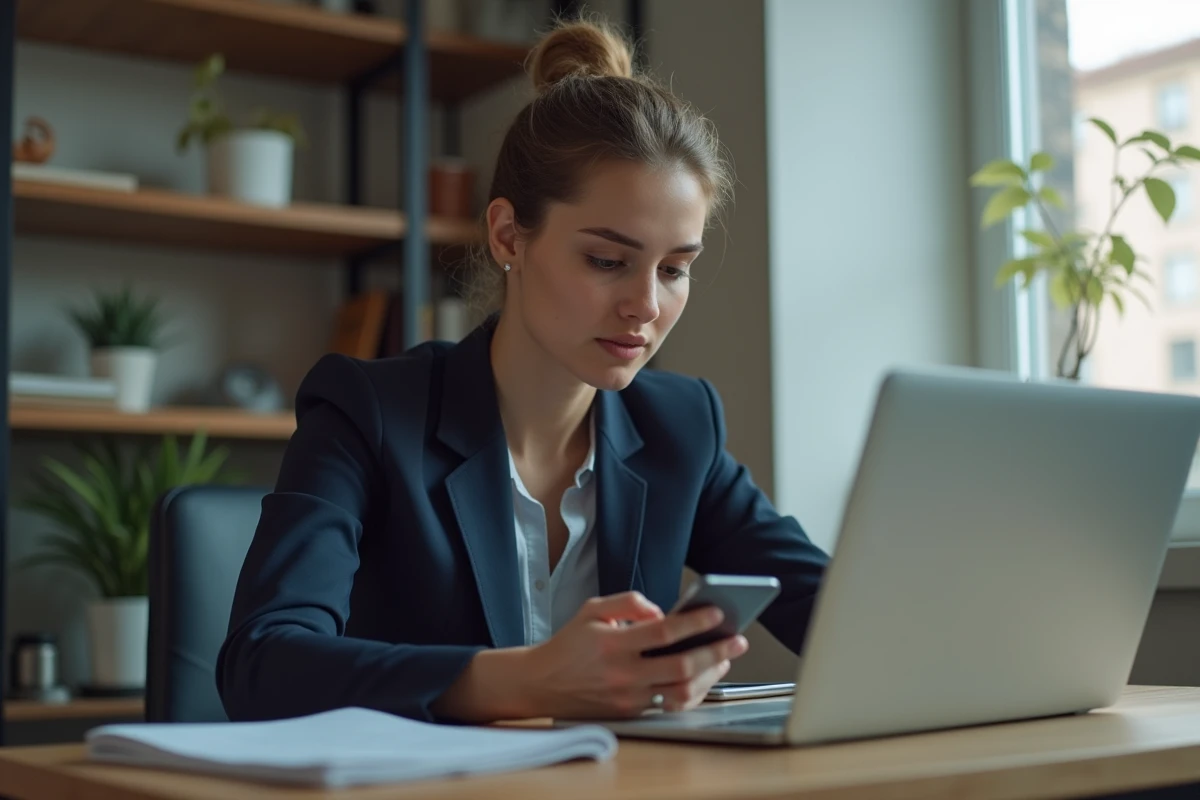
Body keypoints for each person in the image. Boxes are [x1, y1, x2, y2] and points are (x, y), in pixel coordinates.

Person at [215, 16, 829, 726]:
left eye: (674, 269)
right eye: (607, 260)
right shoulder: (367, 414)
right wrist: (525, 681)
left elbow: (839, 614)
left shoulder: (680, 427)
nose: (645, 305)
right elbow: (261, 663)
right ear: (509, 235)